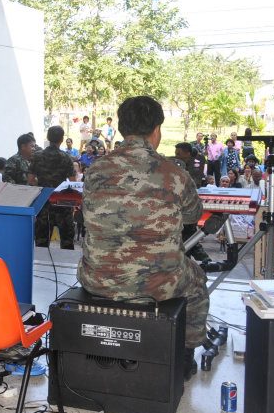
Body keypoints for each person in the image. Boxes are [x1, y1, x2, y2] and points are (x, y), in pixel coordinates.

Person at [78, 96, 208, 380]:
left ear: (122, 129)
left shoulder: (96, 169)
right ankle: (184, 356)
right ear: (156, 130)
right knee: (198, 282)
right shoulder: (174, 173)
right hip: (157, 284)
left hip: (97, 278)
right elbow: (192, 215)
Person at [29, 126, 76, 250]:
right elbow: (73, 182)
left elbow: (30, 180)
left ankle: (40, 262)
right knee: (67, 241)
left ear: (48, 138)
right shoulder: (66, 157)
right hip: (62, 203)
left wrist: (42, 186)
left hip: (43, 202)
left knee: (41, 242)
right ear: (62, 139)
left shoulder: (37, 156)